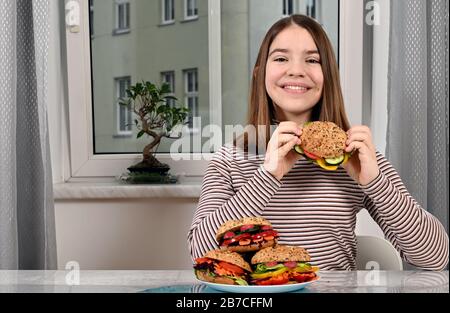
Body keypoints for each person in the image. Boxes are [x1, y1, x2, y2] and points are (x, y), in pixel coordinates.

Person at [187, 14, 448, 270]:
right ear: (259, 74)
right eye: (280, 58)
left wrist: (376, 184)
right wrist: (267, 177)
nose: (297, 71)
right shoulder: (229, 160)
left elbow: (435, 256)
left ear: (328, 76)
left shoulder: (357, 155)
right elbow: (200, 254)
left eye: (312, 60)